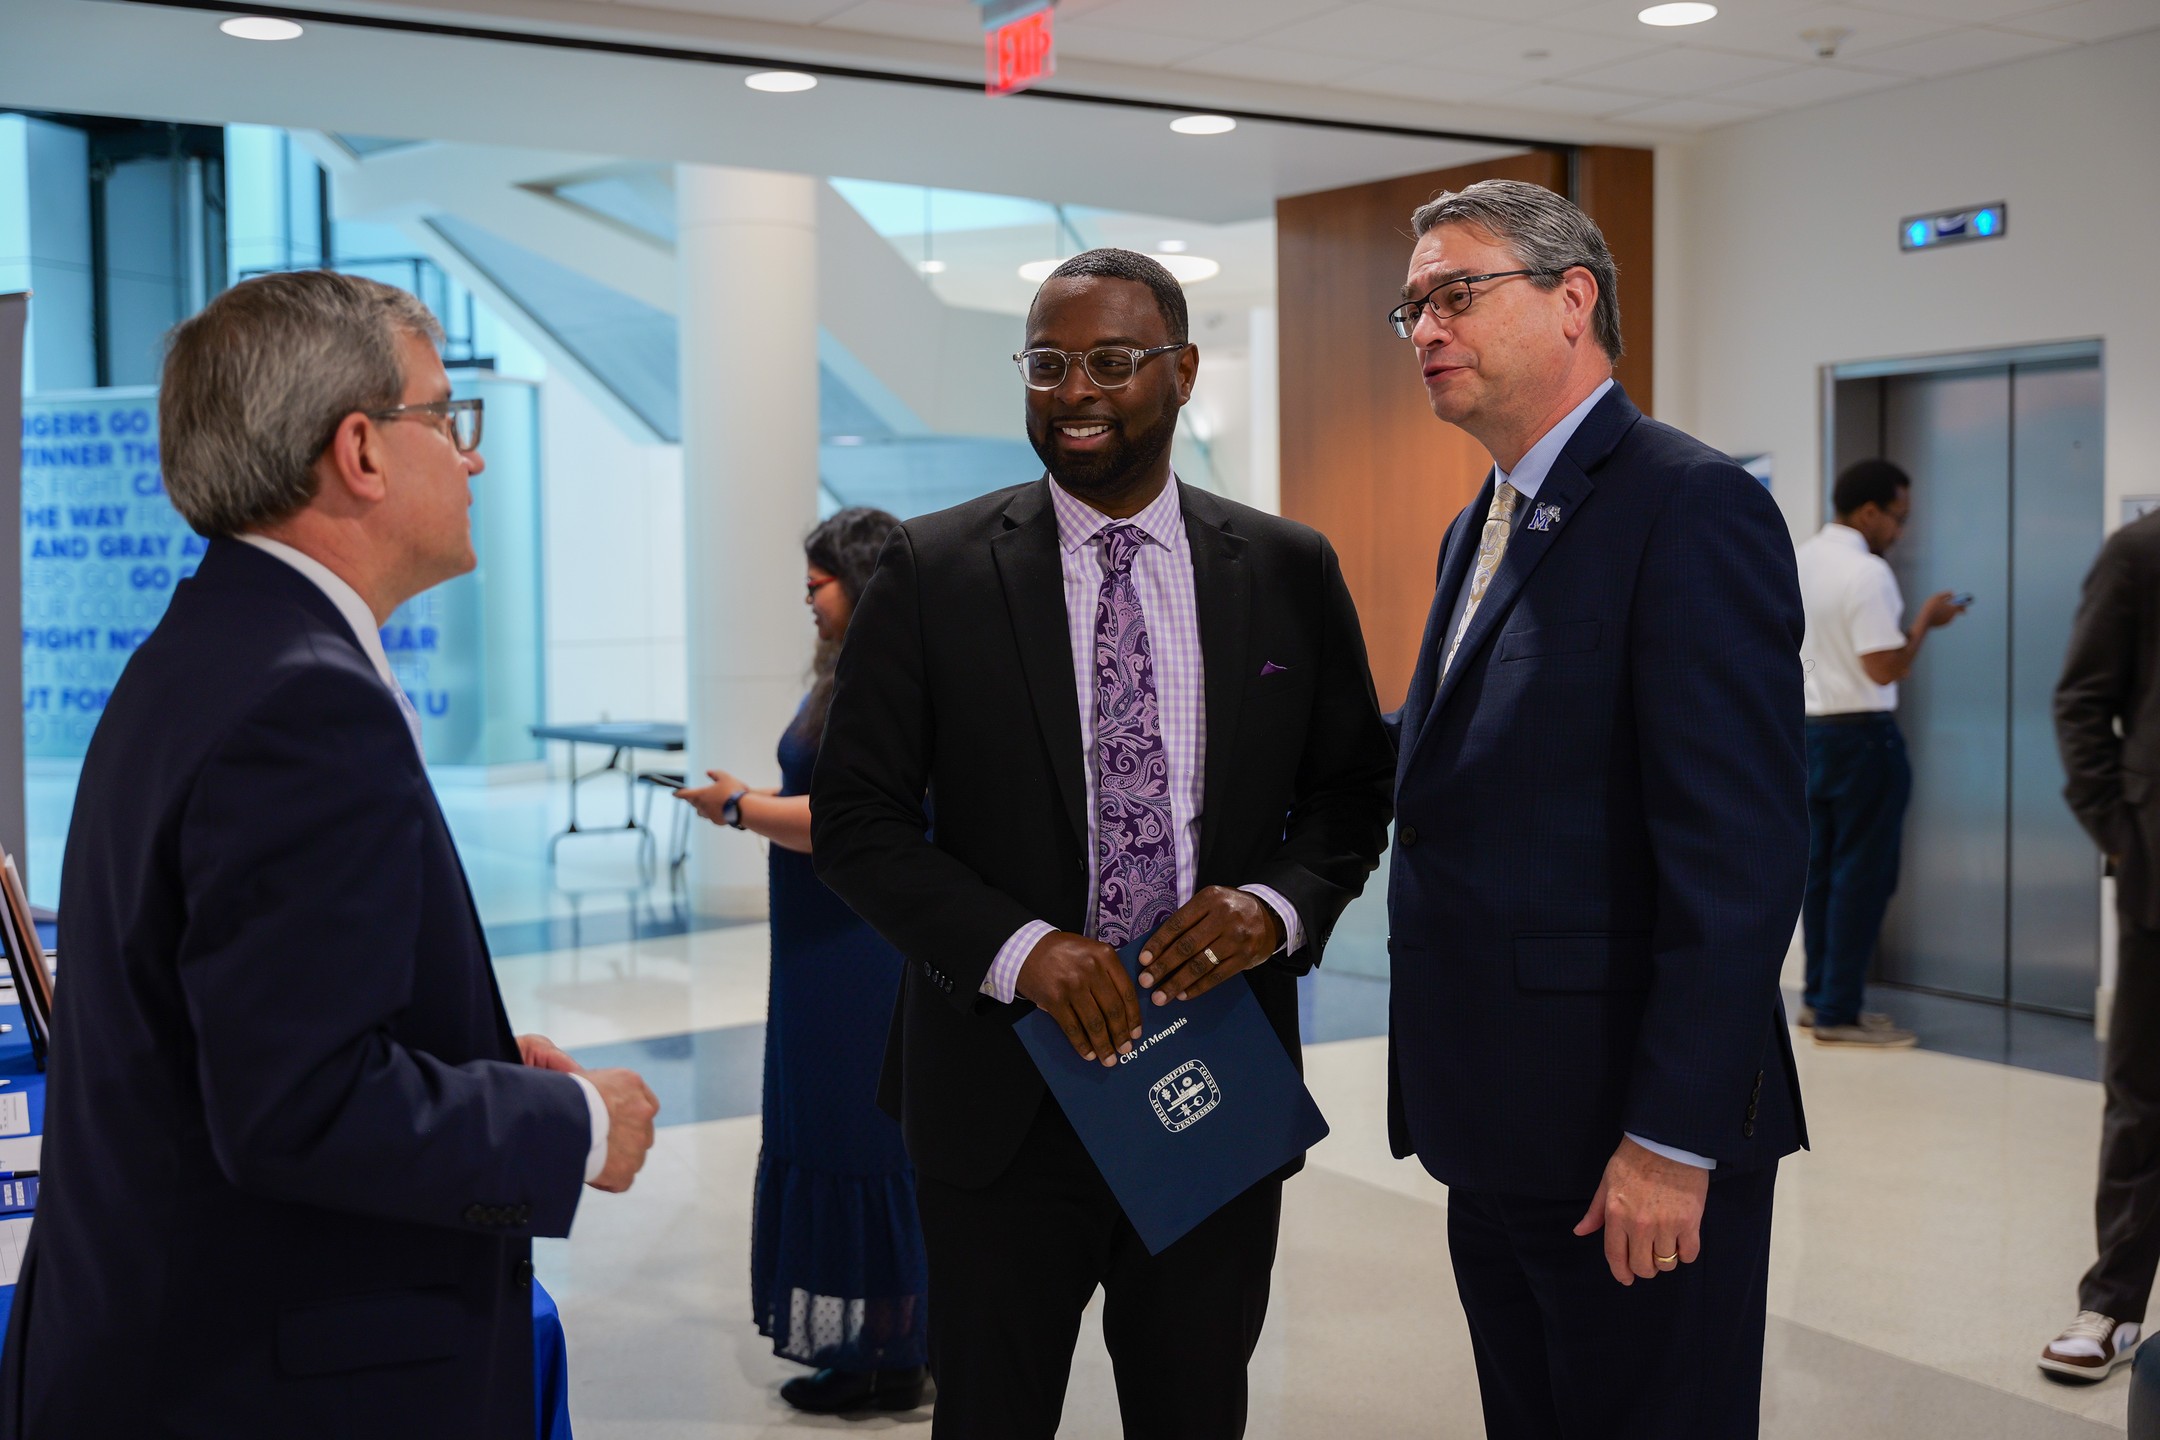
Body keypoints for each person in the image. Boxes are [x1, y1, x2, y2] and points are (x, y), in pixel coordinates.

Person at [0, 272, 659, 1438]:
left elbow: (241, 1018)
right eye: (444, 416)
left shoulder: (211, 647)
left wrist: (477, 1062)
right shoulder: (301, 700)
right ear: (359, 450)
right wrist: (576, 1126)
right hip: (270, 1375)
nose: (472, 457)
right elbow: (297, 1106)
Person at [810, 248, 1394, 1440]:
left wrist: (1273, 910)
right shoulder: (934, 569)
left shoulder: (1287, 568)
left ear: (1183, 372)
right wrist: (1019, 949)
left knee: (1194, 1409)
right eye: (1048, 363)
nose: (1074, 391)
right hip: (999, 1095)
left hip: (1211, 1081)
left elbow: (1349, 795)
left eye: (1113, 362)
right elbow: (857, 820)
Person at [1384, 180, 1808, 1438]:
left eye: (1457, 294)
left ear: (1573, 300)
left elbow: (1739, 858)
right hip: (1496, 1122)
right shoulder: (1480, 526)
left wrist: (1673, 1140)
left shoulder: (1688, 504)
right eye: (1412, 307)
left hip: (1630, 1139)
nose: (1426, 328)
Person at [676, 507, 930, 1416]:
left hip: (859, 949)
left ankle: (889, 1351)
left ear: (861, 584)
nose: (808, 598)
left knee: (860, 1137)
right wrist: (749, 800)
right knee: (835, 1128)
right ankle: (881, 1344)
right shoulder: (847, 672)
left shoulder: (889, 677)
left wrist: (740, 808)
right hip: (823, 941)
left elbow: (847, 818)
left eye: (819, 583)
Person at [2041, 505, 2160, 1382]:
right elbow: (2082, 702)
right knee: (2144, 1094)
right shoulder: (2141, 553)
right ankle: (2113, 1302)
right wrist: (2120, 835)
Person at [1795, 459, 1967, 1048]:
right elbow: (1883, 666)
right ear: (1869, 512)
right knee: (1861, 878)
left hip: (1809, 735)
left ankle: (1819, 1000)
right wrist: (1925, 624)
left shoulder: (1801, 558)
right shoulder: (1867, 572)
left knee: (1819, 875)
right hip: (1863, 739)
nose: (1901, 530)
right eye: (1898, 517)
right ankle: (1840, 1012)